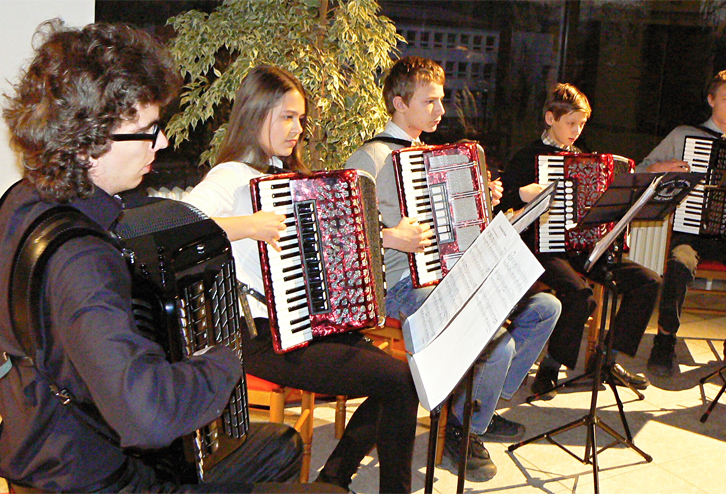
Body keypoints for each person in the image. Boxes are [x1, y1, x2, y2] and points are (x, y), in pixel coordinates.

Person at [0, 21, 338, 494]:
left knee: (279, 445)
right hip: (99, 473)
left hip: (40, 432)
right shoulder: (82, 260)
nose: (164, 143)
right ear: (91, 139)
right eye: (148, 131)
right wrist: (222, 359)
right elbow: (148, 417)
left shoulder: (21, 201)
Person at [181, 65, 419, 493]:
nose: (297, 129)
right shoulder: (232, 175)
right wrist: (248, 225)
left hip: (301, 321)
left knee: (402, 378)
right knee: (398, 382)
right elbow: (183, 228)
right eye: (287, 117)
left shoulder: (279, 174)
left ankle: (334, 477)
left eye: (300, 118)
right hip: (257, 333)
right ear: (255, 115)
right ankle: (350, 480)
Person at [344, 56, 560, 483]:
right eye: (431, 102)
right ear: (399, 103)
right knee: (497, 343)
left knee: (545, 307)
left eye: (441, 101)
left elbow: (460, 228)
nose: (441, 111)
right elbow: (344, 228)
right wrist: (390, 236)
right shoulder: (370, 156)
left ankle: (477, 409)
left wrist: (486, 199)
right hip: (400, 282)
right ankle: (463, 432)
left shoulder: (438, 157)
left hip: (449, 274)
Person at [499, 83, 661, 399]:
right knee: (580, 295)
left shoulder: (584, 159)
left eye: (582, 124)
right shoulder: (528, 157)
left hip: (585, 246)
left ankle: (606, 360)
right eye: (570, 123)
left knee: (648, 282)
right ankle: (550, 367)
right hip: (540, 247)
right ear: (550, 118)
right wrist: (521, 194)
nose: (576, 130)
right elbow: (498, 205)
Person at [638, 69, 726, 377]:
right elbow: (642, 170)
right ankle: (665, 342)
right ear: (711, 100)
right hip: (691, 233)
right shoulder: (684, 135)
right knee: (679, 264)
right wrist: (663, 167)